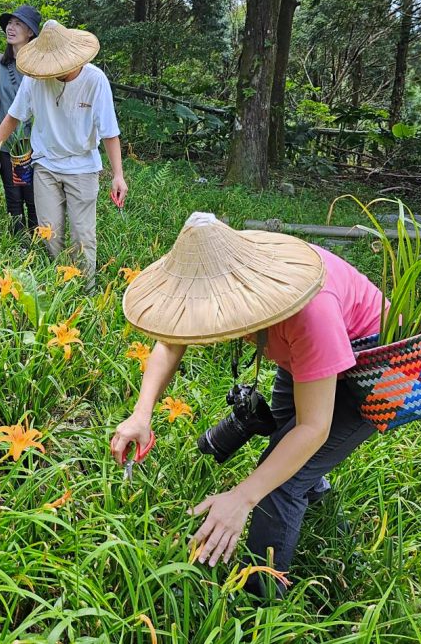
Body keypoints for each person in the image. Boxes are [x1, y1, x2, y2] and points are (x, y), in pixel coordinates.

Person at [111, 213, 386, 597]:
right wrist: (141, 415)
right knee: (288, 456)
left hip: (377, 372)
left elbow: (313, 428)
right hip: (301, 355)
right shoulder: (237, 281)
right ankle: (320, 514)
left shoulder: (311, 312)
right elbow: (171, 342)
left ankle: (262, 602)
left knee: (282, 480)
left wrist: (241, 497)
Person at [0, 20, 127, 288]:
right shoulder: (36, 79)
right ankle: (58, 287)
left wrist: (118, 175)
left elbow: (109, 131)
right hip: (45, 165)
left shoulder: (95, 80)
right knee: (49, 234)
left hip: (83, 167)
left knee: (83, 236)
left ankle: (85, 292)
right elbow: (12, 116)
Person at [0, 5, 41, 234]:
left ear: (30, 33)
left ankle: (38, 240)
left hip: (36, 144)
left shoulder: (39, 66)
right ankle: (18, 242)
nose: (11, 28)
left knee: (33, 196)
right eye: (9, 23)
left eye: (18, 24)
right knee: (13, 195)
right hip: (7, 143)